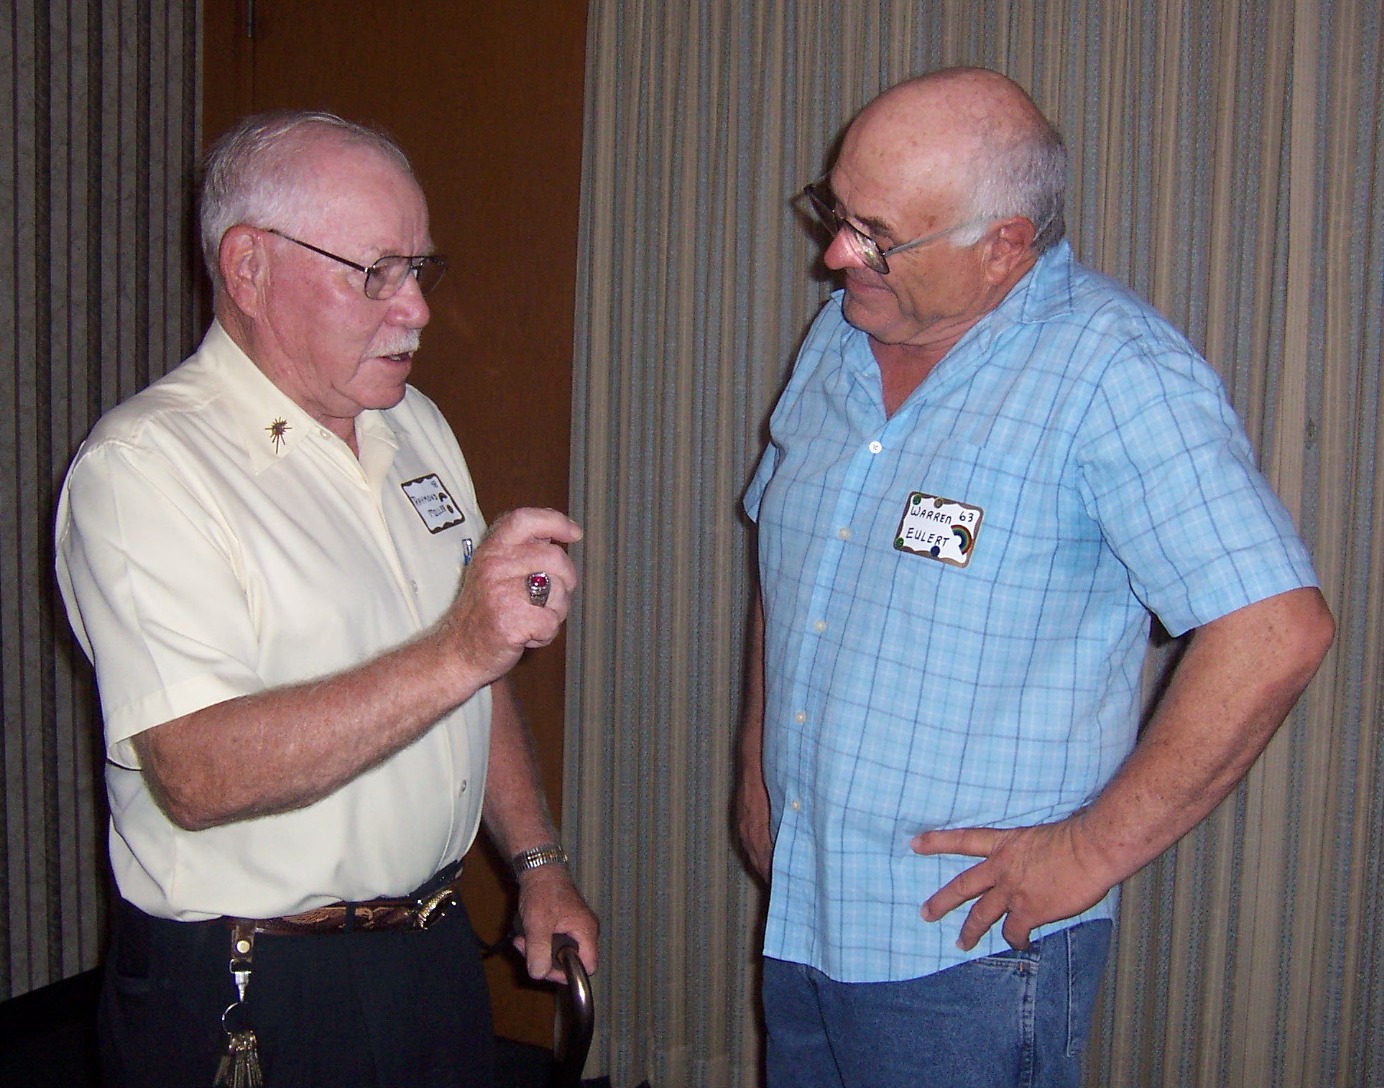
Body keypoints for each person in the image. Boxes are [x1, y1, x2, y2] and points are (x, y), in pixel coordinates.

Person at [737, 67, 1334, 1088]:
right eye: (836, 214)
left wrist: (1086, 853)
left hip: (964, 953)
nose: (835, 256)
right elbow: (791, 562)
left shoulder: (1113, 370)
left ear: (1003, 245)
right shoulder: (840, 335)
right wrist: (757, 760)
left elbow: (1277, 628)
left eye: (877, 236)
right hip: (805, 907)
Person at [54, 110, 597, 1088]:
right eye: (374, 272)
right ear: (249, 267)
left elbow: (468, 681)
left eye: (418, 269)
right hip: (254, 986)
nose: (415, 309)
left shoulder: (414, 424)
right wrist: (461, 646)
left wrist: (537, 859)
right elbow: (197, 774)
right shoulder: (143, 470)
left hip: (432, 949)